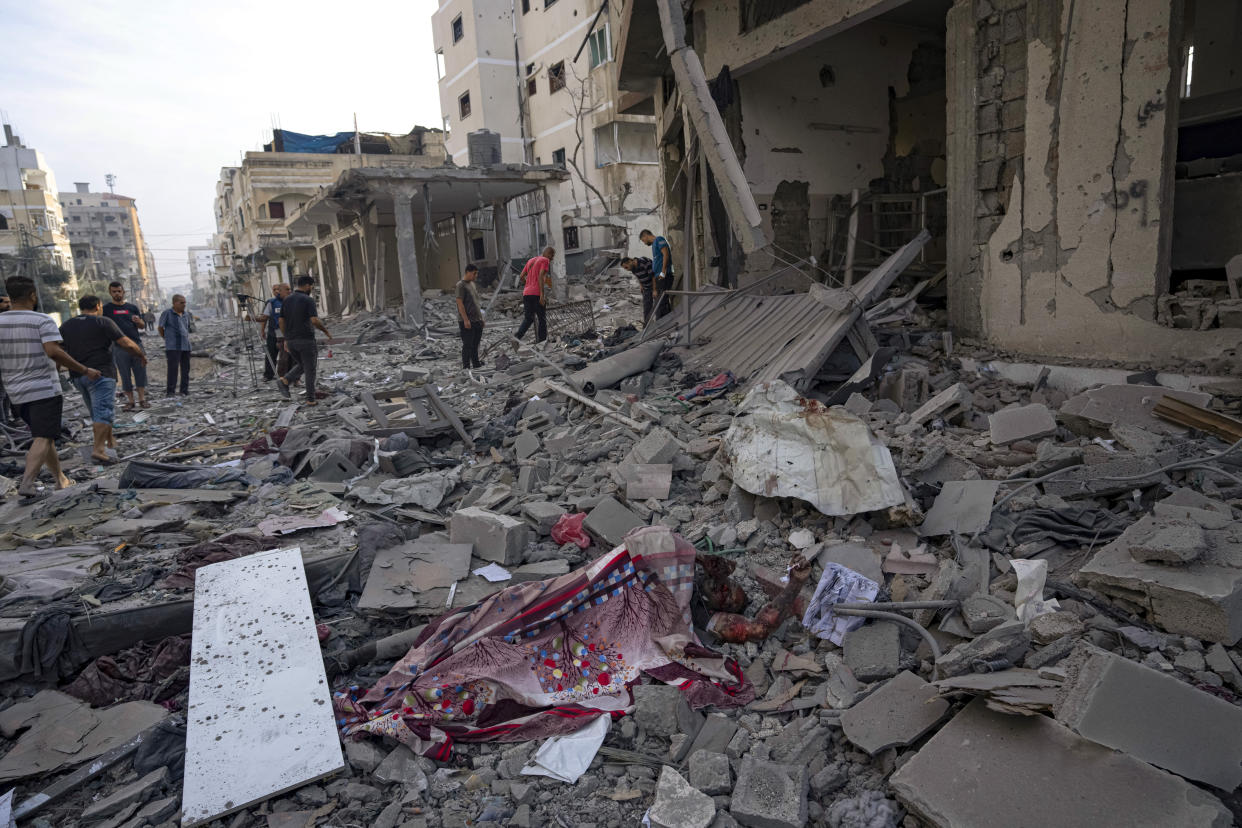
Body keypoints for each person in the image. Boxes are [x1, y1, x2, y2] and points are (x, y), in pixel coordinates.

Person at [0, 276, 100, 496]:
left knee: (43, 436)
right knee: (44, 436)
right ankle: (27, 483)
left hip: (15, 392)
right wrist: (84, 370)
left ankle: (60, 479)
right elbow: (53, 351)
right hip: (43, 388)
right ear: (33, 296)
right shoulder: (41, 321)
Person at [59, 295, 147, 464]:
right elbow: (126, 343)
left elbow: (58, 351)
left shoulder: (66, 325)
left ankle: (110, 442)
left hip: (78, 376)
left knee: (97, 411)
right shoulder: (103, 322)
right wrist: (140, 354)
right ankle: (99, 450)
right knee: (103, 412)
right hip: (101, 374)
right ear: (98, 306)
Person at [278, 275, 331, 406]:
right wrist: (325, 331)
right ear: (307, 285)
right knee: (310, 369)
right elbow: (314, 320)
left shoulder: (286, 300)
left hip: (291, 341)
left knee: (303, 365)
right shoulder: (308, 300)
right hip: (306, 340)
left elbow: (281, 320)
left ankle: (285, 380)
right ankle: (310, 399)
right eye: (311, 286)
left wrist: (286, 338)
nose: (311, 289)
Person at [102, 281, 149, 410]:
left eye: (119, 291)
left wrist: (140, 322)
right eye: (114, 291)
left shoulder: (132, 308)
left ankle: (142, 399)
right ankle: (130, 401)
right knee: (124, 374)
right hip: (119, 347)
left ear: (123, 292)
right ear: (110, 293)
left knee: (140, 371)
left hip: (136, 344)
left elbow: (142, 326)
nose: (117, 294)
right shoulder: (106, 310)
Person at [514, 246, 554, 346]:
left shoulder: (531, 260)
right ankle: (542, 342)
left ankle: (517, 337)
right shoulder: (545, 260)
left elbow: (521, 276)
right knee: (542, 318)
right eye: (552, 256)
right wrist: (541, 295)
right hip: (536, 293)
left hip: (526, 293)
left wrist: (528, 284)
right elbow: (540, 276)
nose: (552, 258)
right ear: (548, 253)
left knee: (529, 318)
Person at [157, 295, 192, 396]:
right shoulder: (167, 313)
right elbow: (160, 328)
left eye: (185, 302)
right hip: (173, 347)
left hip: (186, 346)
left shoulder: (186, 314)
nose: (184, 305)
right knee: (173, 369)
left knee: (185, 369)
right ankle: (171, 391)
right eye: (181, 303)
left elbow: (187, 328)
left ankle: (184, 390)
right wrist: (167, 338)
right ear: (174, 303)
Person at [620, 255, 668, 326]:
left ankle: (660, 324)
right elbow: (638, 276)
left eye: (626, 267)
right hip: (646, 287)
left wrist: (654, 290)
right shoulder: (633, 268)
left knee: (658, 305)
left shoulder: (644, 262)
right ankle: (647, 325)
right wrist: (641, 285)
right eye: (625, 268)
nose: (627, 269)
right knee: (647, 307)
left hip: (656, 285)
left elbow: (653, 276)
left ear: (630, 261)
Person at [255, 283, 288, 381]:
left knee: (286, 356)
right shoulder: (271, 302)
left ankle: (286, 375)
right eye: (274, 290)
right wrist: (262, 330)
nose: (276, 291)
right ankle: (268, 375)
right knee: (270, 354)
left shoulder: (288, 301)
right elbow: (265, 317)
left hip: (286, 333)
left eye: (278, 289)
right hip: (273, 333)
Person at [455, 264, 485, 369]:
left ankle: (476, 364)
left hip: (476, 319)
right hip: (467, 320)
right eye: (474, 273)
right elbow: (460, 304)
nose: (475, 276)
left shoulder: (472, 284)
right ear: (467, 272)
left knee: (475, 344)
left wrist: (481, 318)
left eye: (476, 273)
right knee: (468, 345)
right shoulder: (460, 285)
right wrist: (465, 320)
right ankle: (466, 367)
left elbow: (476, 302)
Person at [639, 229, 673, 318]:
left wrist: (663, 271)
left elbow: (666, 254)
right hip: (659, 277)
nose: (644, 243)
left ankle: (662, 323)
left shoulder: (659, 239)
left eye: (643, 240)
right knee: (662, 301)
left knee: (661, 301)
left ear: (645, 236)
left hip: (664, 276)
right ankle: (667, 321)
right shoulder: (654, 245)